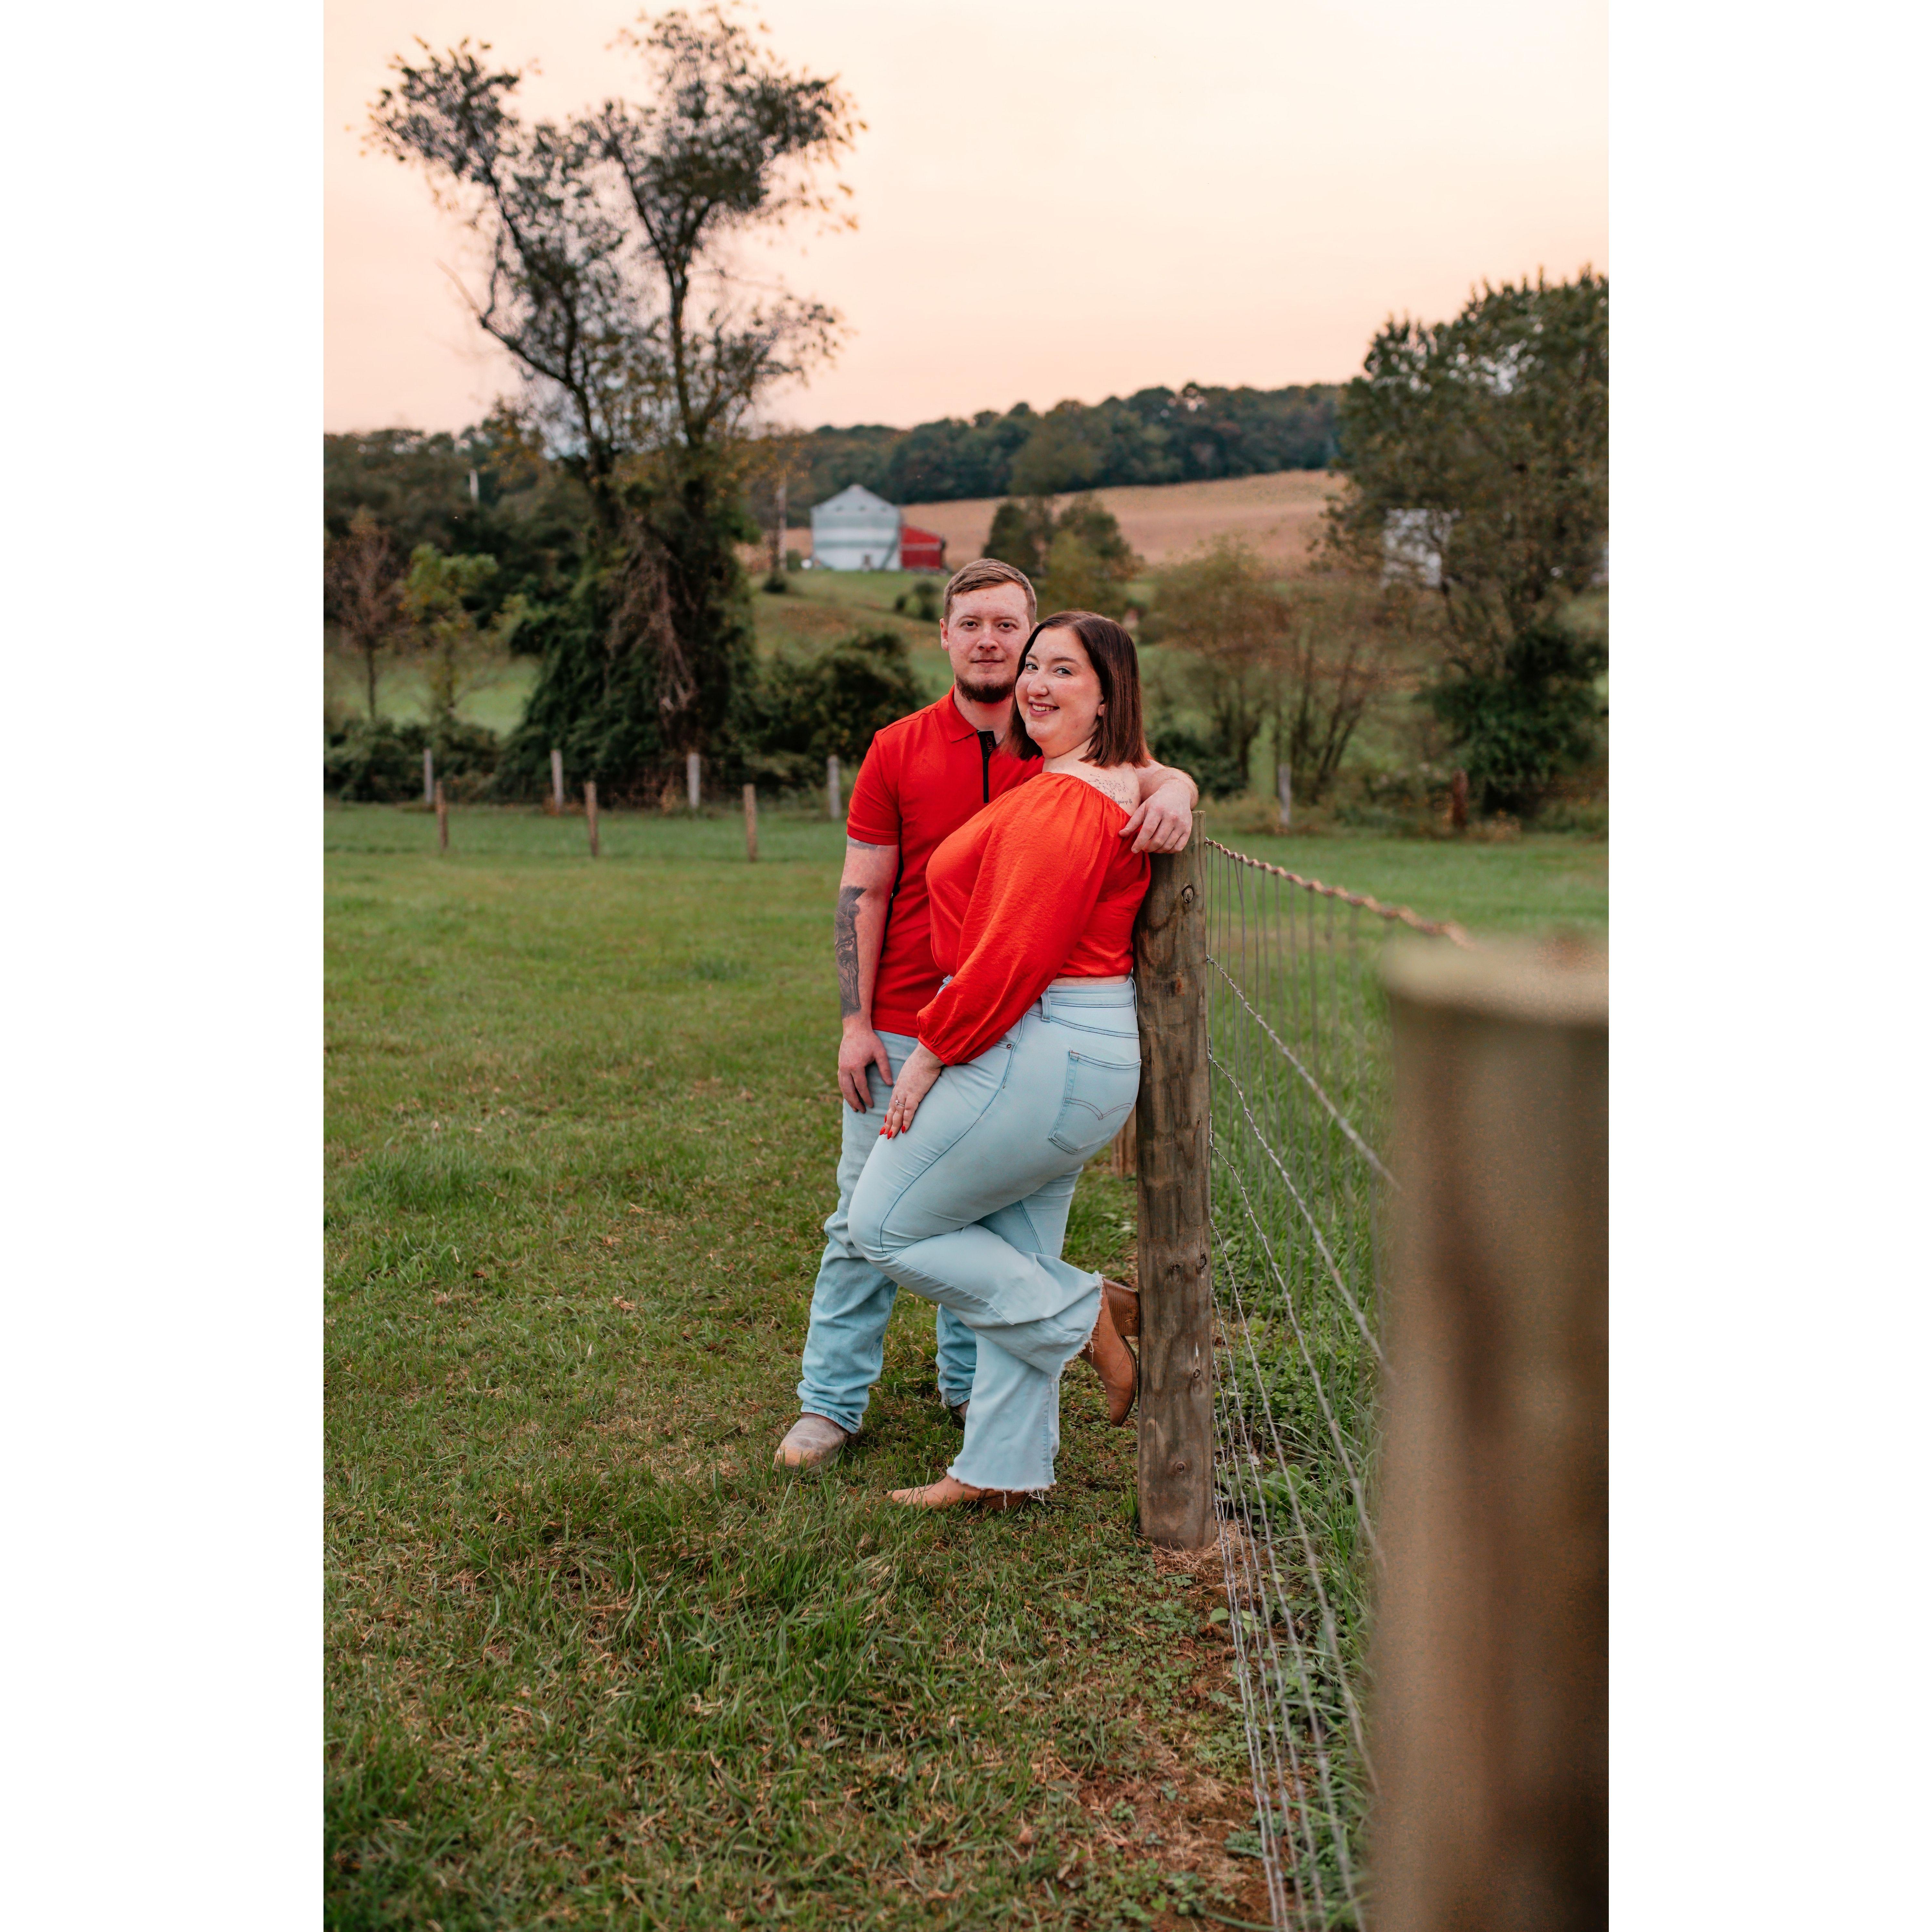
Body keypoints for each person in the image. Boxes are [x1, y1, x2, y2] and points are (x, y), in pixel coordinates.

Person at [775, 561, 1195, 1470]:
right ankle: (832, 1403)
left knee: (984, 1223)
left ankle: (975, 1397)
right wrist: (855, 1023)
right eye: (973, 623)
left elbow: (1139, 769)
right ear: (945, 635)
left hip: (1021, 1021)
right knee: (863, 1220)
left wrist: (1179, 789)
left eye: (1012, 628)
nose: (995, 644)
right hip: (905, 1019)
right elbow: (862, 890)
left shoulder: (1054, 743)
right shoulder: (899, 748)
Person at [845, 611, 1153, 1508]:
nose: (1037, 685)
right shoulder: (1088, 782)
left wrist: (930, 1054)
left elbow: (1014, 954)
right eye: (1033, 667)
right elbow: (1149, 774)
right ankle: (1001, 1472)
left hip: (1040, 1040)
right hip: (1065, 1046)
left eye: (1065, 671)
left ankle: (1082, 1312)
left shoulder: (1069, 802)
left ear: (1109, 697)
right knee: (1015, 1251)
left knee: (885, 1226)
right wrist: (1171, 782)